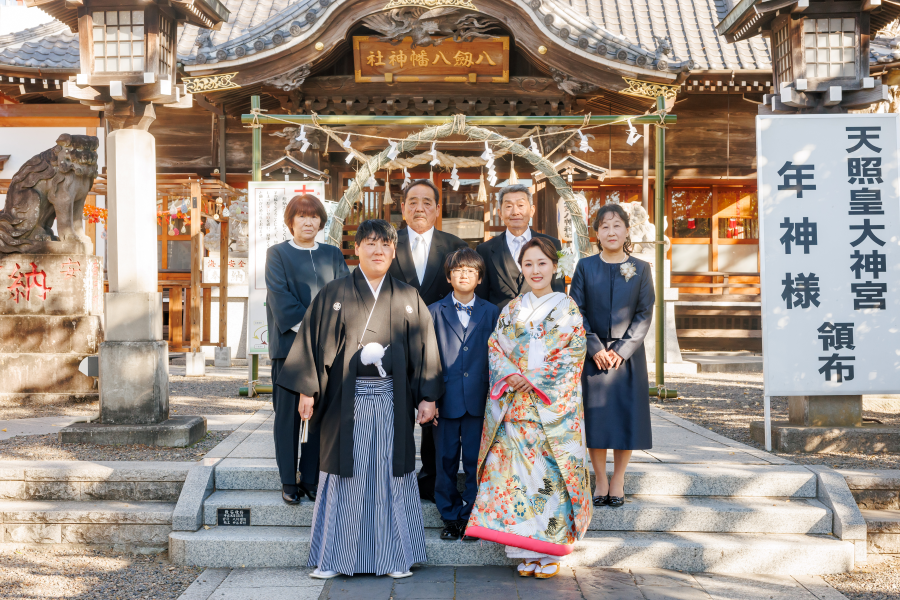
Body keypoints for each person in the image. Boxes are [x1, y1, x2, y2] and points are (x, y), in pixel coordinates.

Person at [276, 219, 443, 579]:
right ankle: (334, 558)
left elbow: (424, 348)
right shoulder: (335, 293)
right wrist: (308, 389)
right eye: (370, 243)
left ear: (393, 250)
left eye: (385, 244)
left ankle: (395, 558)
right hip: (344, 402)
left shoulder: (407, 295)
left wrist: (427, 396)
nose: (378, 250)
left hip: (392, 401)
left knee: (391, 474)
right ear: (356, 249)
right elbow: (314, 342)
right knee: (342, 474)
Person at [465, 237, 591, 580]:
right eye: (529, 264)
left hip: (550, 411)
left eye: (542, 263)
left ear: (554, 267)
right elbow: (495, 347)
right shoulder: (511, 309)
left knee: (549, 478)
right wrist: (511, 375)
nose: (535, 270)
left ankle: (550, 550)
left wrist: (531, 378)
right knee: (517, 480)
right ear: (521, 268)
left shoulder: (567, 307)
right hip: (514, 408)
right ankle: (524, 549)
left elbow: (571, 355)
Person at [569, 203, 654, 508]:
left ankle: (618, 479)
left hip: (627, 357)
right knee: (596, 418)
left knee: (625, 417)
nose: (611, 231)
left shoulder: (641, 268)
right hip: (593, 356)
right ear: (597, 233)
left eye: (617, 225)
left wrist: (621, 350)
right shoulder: (585, 267)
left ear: (627, 230)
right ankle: (600, 479)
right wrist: (595, 348)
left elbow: (644, 314)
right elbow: (575, 310)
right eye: (604, 226)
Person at [265, 194, 349, 505]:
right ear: (291, 221)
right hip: (289, 351)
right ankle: (289, 480)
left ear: (321, 222)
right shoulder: (277, 254)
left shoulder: (332, 254)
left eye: (314, 216)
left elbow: (345, 296)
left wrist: (328, 337)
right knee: (288, 418)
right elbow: (280, 298)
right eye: (301, 216)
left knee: (320, 418)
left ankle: (312, 478)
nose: (308, 221)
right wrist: (315, 331)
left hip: (327, 352)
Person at [388, 178, 468, 502]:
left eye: (427, 202)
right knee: (396, 415)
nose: (419, 207)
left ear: (437, 209)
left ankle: (432, 481)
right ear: (403, 209)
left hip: (443, 346)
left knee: (438, 419)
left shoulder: (454, 245)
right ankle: (396, 480)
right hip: (395, 342)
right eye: (412, 202)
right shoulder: (388, 243)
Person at [427, 248, 500, 542]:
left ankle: (472, 516)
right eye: (458, 270)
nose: (464, 274)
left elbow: (498, 356)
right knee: (443, 461)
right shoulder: (433, 311)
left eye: (471, 270)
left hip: (479, 400)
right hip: (445, 400)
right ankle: (449, 516)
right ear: (448, 276)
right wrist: (429, 398)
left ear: (479, 277)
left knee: (474, 461)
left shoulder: (492, 312)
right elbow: (427, 357)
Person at [475, 184, 565, 310]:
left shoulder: (552, 244)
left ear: (532, 210)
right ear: (500, 213)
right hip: (499, 324)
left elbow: (558, 291)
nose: (515, 211)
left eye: (521, 205)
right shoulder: (485, 250)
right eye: (508, 206)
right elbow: (482, 298)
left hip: (542, 322)